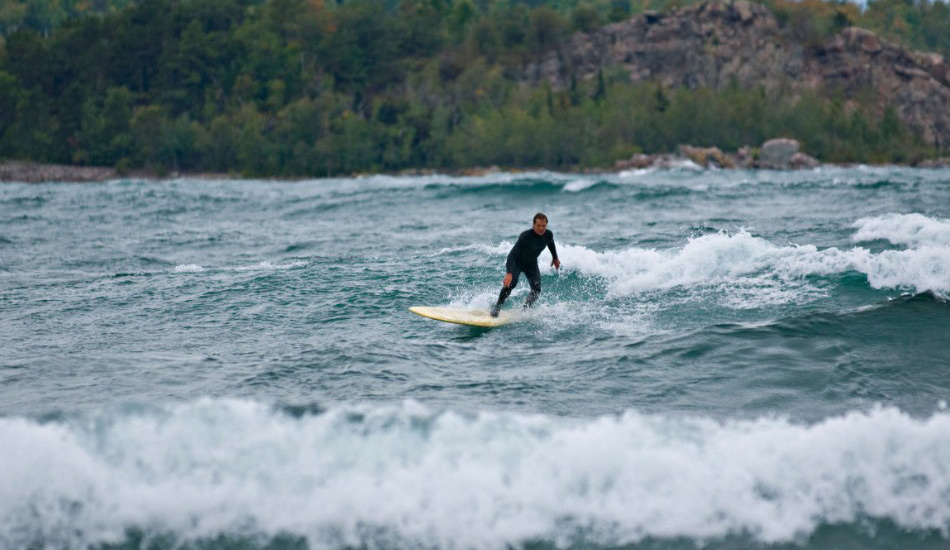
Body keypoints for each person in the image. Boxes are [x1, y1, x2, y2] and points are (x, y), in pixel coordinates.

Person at [490, 212, 561, 317]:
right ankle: (497, 307)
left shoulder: (548, 234)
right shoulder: (526, 236)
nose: (541, 228)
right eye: (538, 225)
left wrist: (555, 258)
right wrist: (509, 272)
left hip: (531, 264)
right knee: (510, 285)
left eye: (544, 226)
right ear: (533, 225)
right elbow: (512, 255)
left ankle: (525, 309)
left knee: (536, 290)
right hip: (517, 263)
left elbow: (551, 243)